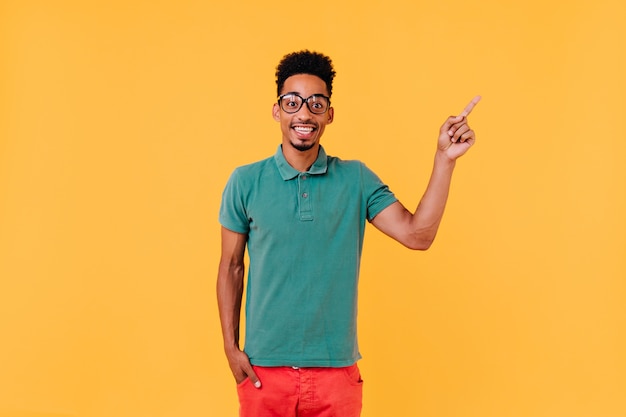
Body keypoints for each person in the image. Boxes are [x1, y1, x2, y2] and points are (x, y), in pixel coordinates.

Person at [217, 50, 480, 417]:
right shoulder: (245, 182)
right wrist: (231, 348)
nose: (304, 113)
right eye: (292, 102)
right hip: (264, 373)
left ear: (329, 114)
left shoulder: (355, 179)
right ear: (277, 110)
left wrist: (444, 161)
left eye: (316, 103)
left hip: (336, 376)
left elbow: (417, 235)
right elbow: (231, 267)